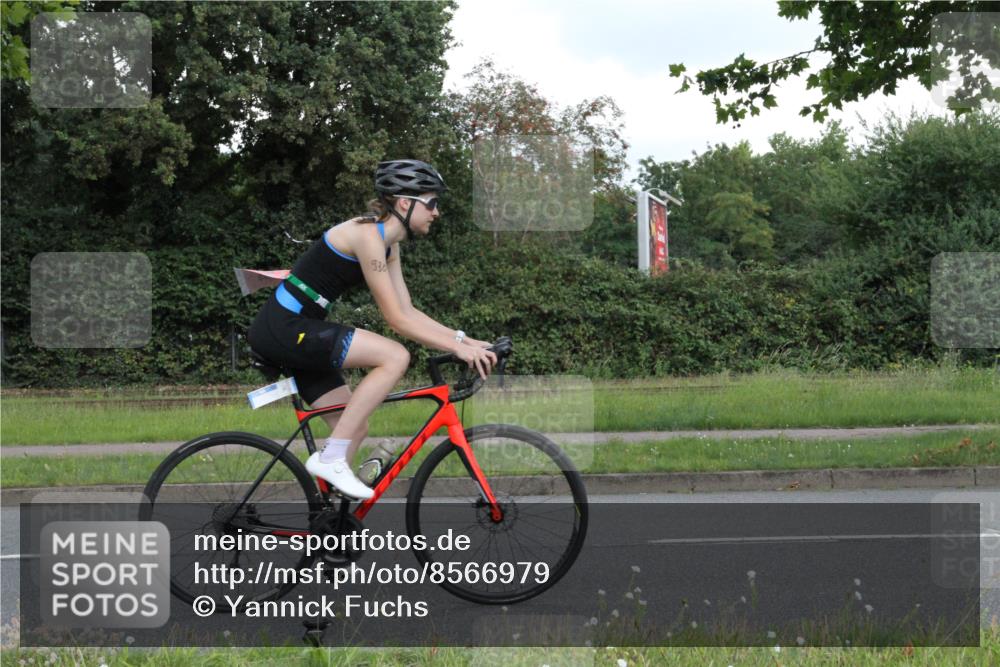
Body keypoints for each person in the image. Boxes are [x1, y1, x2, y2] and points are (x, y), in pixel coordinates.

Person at [247, 159, 497, 500]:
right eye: (432, 202)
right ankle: (332, 459)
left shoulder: (389, 247)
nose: (437, 212)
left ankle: (328, 524)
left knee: (355, 426)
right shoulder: (367, 236)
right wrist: (458, 349)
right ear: (406, 203)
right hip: (284, 328)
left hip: (301, 329)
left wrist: (465, 340)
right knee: (395, 356)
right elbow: (396, 319)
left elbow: (409, 310)